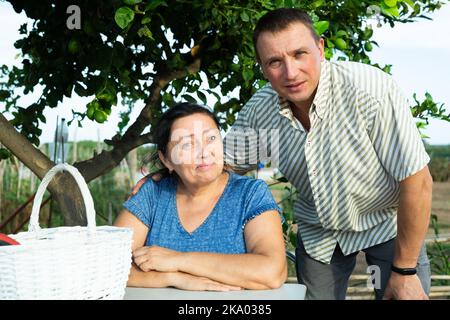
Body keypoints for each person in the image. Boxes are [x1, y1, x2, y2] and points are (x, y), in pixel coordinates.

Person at [221, 8, 433, 300]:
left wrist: (406, 271)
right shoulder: (261, 110)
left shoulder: (370, 91)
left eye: (299, 54)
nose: (290, 72)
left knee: (403, 294)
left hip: (387, 223)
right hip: (320, 232)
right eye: (274, 62)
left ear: (320, 48)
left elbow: (417, 182)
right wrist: (163, 177)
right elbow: (222, 166)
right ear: (261, 66)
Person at [114, 102, 287, 291]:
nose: (204, 153)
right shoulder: (152, 194)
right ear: (166, 159)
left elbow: (272, 272)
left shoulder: (250, 193)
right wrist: (172, 278)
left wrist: (178, 260)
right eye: (187, 144)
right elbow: (110, 264)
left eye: (211, 138)